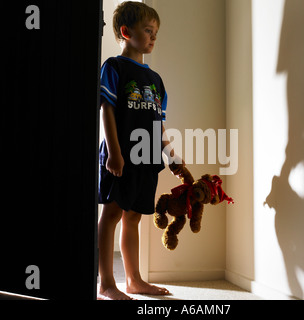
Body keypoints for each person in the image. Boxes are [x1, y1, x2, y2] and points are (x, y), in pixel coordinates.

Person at [97, 1, 184, 300]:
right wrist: (114, 152)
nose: (153, 37)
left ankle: (134, 280)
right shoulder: (114, 67)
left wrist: (171, 157)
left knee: (133, 217)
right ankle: (106, 283)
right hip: (119, 156)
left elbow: (159, 124)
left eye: (156, 32)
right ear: (126, 31)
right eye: (148, 30)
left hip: (146, 159)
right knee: (112, 214)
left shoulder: (156, 81)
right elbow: (107, 110)